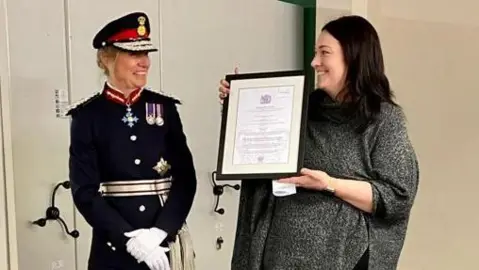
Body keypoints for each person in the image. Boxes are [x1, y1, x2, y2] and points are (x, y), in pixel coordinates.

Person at [218, 15, 419, 270]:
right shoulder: (300, 109)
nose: (314, 62)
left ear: (354, 57)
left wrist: (328, 184)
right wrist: (240, 106)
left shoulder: (383, 120)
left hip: (343, 258)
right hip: (279, 256)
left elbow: (397, 198)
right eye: (315, 53)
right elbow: (256, 155)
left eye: (324, 53)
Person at [66, 11, 197, 270]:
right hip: (113, 245)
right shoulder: (87, 116)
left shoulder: (164, 108)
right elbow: (84, 190)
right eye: (134, 54)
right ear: (107, 58)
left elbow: (185, 179)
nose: (144, 63)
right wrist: (129, 238)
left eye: (146, 54)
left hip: (163, 243)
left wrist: (160, 232)